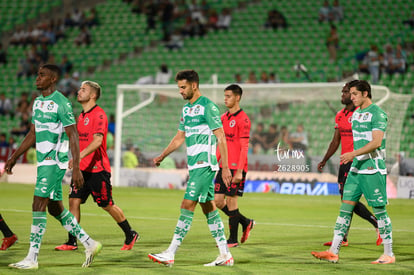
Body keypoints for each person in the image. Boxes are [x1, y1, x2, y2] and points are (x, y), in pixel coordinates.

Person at [2, 64, 102, 270]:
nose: (37, 78)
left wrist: (75, 168)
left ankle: (32, 258)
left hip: (54, 161)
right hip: (43, 160)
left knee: (38, 202)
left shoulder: (61, 103)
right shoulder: (38, 102)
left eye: (42, 75)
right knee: (55, 208)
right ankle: (90, 243)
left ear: (53, 78)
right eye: (37, 74)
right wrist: (14, 157)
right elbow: (33, 133)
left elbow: (73, 134)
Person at [149, 70, 234, 267]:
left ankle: (170, 253)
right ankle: (225, 254)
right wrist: (162, 155)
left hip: (205, 164)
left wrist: (226, 167)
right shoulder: (186, 110)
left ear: (194, 85)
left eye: (183, 87)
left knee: (187, 204)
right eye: (179, 87)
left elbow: (221, 136)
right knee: (209, 208)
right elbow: (180, 137)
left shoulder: (208, 107)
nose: (180, 91)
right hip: (194, 165)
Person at [312, 80, 395, 264]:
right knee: (345, 209)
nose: (352, 97)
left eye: (355, 94)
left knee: (380, 211)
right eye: (351, 94)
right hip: (356, 169)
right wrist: (353, 157)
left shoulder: (378, 114)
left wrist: (353, 154)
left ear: (366, 93)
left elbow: (376, 142)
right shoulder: (356, 114)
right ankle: (333, 251)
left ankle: (389, 253)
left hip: (372, 168)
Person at [55, 80, 139, 252]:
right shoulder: (81, 116)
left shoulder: (99, 114)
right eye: (79, 89)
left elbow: (97, 141)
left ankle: (130, 233)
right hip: (82, 170)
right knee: (73, 201)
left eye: (83, 90)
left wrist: (78, 157)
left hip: (97, 170)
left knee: (106, 204)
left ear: (92, 95)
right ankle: (72, 242)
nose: (79, 92)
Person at [317, 80, 381, 247]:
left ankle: (377, 223)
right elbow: (335, 140)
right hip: (344, 161)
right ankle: (344, 237)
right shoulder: (340, 115)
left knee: (348, 199)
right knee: (346, 199)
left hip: (358, 160)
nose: (345, 95)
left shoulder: (361, 115)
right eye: (345, 92)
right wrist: (325, 159)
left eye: (348, 92)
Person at [214, 84, 254, 248]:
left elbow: (244, 146)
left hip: (236, 167)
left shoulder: (243, 119)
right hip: (223, 167)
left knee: (231, 201)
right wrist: (215, 163)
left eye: (228, 96)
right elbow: (221, 143)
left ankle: (232, 239)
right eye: (224, 96)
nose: (225, 99)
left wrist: (239, 171)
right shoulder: (223, 118)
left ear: (237, 97)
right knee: (218, 201)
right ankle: (245, 222)